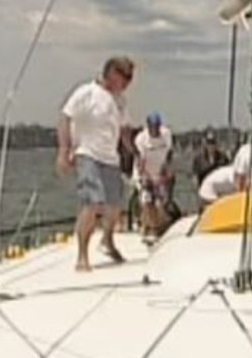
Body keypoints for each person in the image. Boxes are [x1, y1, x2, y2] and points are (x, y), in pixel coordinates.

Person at [55, 56, 136, 272]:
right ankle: (82, 255)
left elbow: (124, 129)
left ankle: (107, 240)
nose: (127, 83)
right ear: (112, 74)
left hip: (110, 157)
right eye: (125, 78)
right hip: (87, 153)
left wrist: (134, 151)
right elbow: (65, 118)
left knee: (115, 205)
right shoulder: (86, 93)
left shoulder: (120, 101)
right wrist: (64, 151)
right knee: (92, 203)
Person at [134, 112, 175, 244]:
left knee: (160, 202)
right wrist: (147, 177)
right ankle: (150, 227)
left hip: (160, 172)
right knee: (146, 200)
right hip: (144, 172)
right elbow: (140, 161)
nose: (155, 130)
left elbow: (168, 155)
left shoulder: (166, 134)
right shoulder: (141, 139)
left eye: (157, 126)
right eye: (152, 127)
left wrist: (165, 172)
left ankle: (160, 226)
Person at [196, 141, 252, 205]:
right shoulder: (246, 154)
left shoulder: (229, 160)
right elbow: (240, 188)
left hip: (215, 188)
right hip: (208, 192)